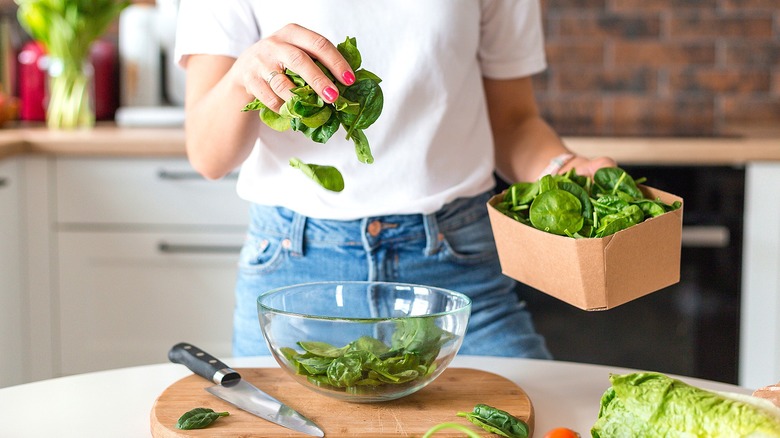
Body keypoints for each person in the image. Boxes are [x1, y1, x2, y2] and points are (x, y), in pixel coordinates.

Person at [174, 0, 615, 359]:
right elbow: (208, 155)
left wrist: (562, 168)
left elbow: (514, 122)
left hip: (455, 267)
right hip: (295, 274)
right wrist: (241, 79)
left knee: (537, 417)